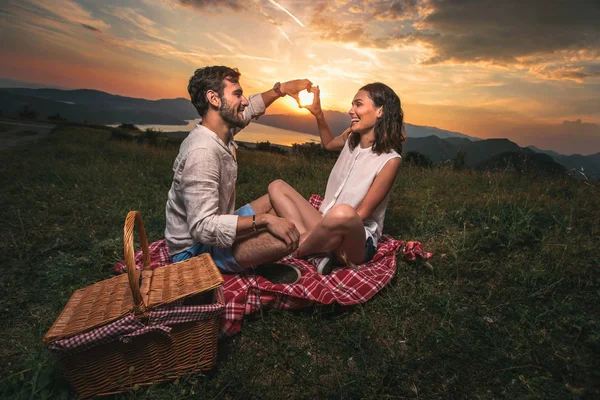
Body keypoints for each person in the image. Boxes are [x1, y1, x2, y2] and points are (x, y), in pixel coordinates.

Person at [165, 65, 312, 280]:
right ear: (214, 99)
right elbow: (202, 227)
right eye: (237, 94)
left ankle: (249, 261)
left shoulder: (221, 130)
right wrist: (263, 221)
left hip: (213, 234)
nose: (244, 100)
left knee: (276, 201)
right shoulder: (202, 152)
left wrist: (282, 89)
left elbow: (251, 107)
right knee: (288, 237)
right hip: (194, 253)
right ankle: (248, 266)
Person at [267, 82, 405, 274]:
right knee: (277, 186)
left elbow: (362, 214)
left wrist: (322, 231)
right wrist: (318, 114)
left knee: (344, 213)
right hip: (325, 225)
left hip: (354, 242)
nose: (351, 111)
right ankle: (315, 253)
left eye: (358, 104)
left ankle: (298, 249)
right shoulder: (350, 137)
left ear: (380, 111)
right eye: (352, 105)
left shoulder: (390, 160)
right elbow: (329, 144)